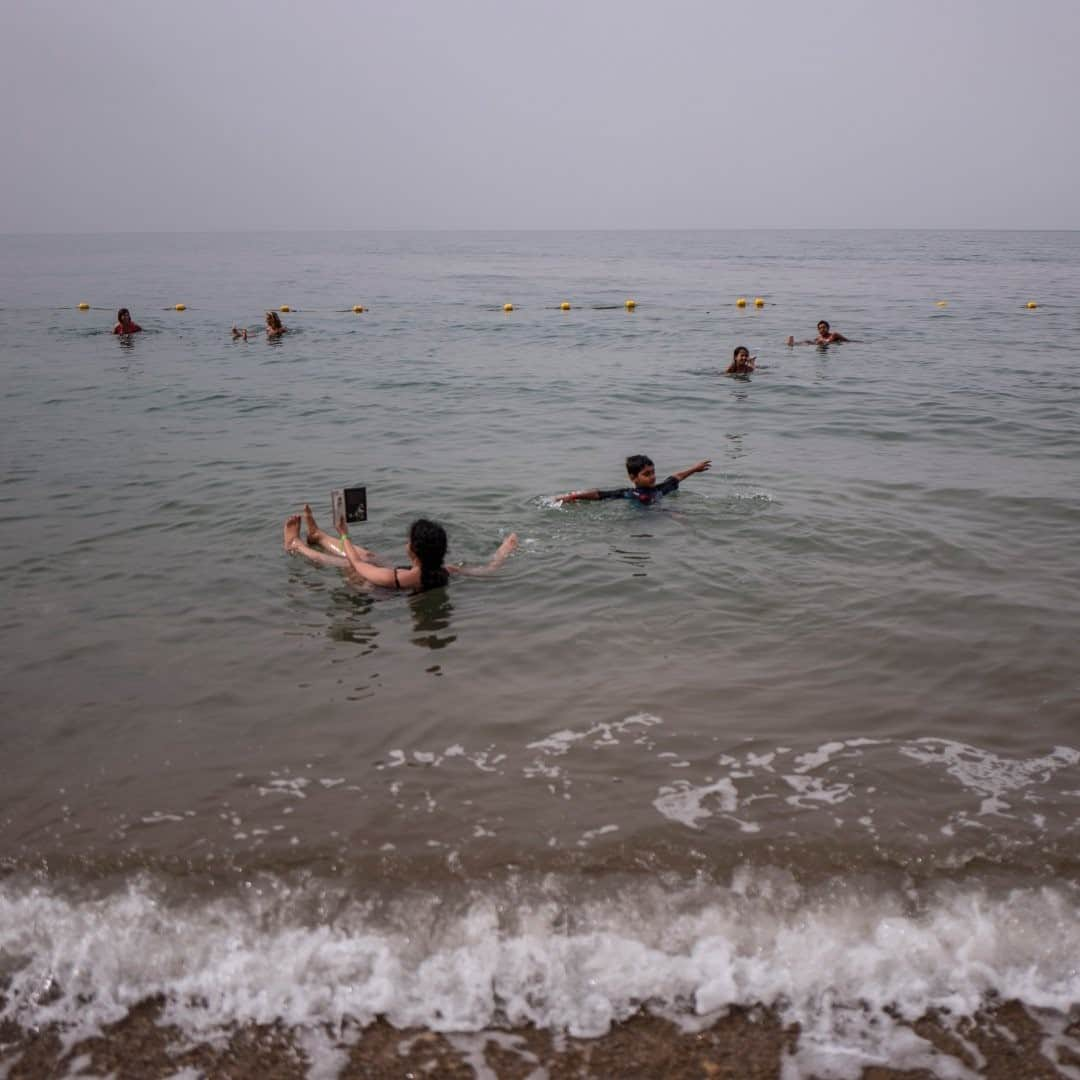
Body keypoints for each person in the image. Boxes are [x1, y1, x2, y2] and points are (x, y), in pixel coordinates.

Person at [283, 504, 518, 592]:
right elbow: (488, 570)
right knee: (369, 555)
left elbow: (356, 563)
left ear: (413, 551)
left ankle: (296, 545)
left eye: (409, 540)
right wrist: (504, 550)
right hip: (409, 576)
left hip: (376, 591)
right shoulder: (445, 571)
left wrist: (344, 534)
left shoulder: (391, 578)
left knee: (349, 563)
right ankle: (318, 536)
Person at [556, 454, 711, 505]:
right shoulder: (628, 494)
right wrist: (574, 496)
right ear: (633, 477)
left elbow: (676, 477)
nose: (652, 477)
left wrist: (695, 469)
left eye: (653, 472)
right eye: (647, 474)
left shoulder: (661, 489)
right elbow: (599, 494)